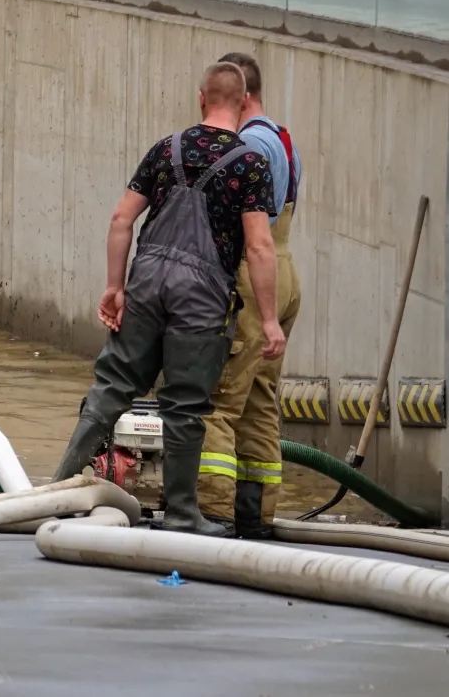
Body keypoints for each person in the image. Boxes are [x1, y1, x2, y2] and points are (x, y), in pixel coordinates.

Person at [51, 61, 285, 537]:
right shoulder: (250, 163)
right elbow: (259, 246)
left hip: (149, 279)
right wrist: (269, 319)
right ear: (243, 105)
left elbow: (122, 220)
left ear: (201, 98)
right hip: (202, 294)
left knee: (113, 386)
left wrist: (115, 287)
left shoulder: (166, 149)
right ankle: (182, 514)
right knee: (184, 405)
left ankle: (56, 492)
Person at [197, 52, 303, 538]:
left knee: (217, 400)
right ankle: (256, 517)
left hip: (252, 275)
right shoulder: (283, 138)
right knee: (260, 401)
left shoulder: (249, 146)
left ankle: (213, 515)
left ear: (242, 97)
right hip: (284, 275)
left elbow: (251, 234)